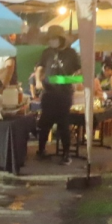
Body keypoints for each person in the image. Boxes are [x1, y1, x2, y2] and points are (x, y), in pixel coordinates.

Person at [35, 25, 82, 165]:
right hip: (48, 94)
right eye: (50, 39)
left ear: (60, 39)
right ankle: (41, 150)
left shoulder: (72, 53)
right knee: (44, 123)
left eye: (54, 38)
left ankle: (66, 154)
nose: (52, 41)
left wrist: (64, 80)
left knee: (63, 125)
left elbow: (79, 75)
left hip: (64, 95)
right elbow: (39, 68)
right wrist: (38, 80)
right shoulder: (47, 52)